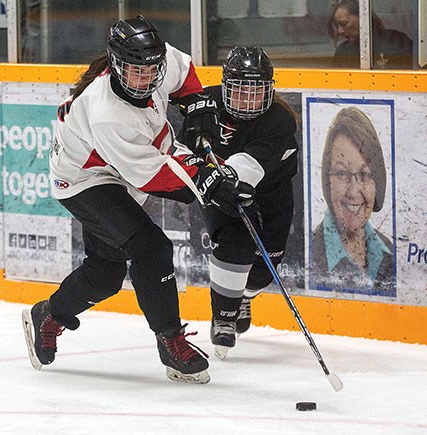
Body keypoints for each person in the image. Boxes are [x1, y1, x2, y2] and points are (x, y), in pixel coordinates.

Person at [21, 15, 253, 384]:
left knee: (105, 274)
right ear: (116, 65)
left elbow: (184, 71)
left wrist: (195, 104)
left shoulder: (155, 62)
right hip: (85, 177)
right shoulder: (108, 114)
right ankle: (171, 342)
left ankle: (49, 315)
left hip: (122, 168)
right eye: (135, 71)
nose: (146, 79)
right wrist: (205, 180)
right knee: (151, 247)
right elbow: (153, 176)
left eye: (151, 70)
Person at [178, 46, 299, 359]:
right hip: (219, 189)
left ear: (268, 91)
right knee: (235, 242)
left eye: (255, 93)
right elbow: (180, 146)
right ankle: (224, 317)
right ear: (226, 86)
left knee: (262, 272)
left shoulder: (280, 121)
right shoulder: (206, 105)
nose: (248, 100)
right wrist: (204, 173)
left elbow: (253, 163)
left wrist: (233, 175)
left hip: (271, 194)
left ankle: (244, 294)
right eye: (240, 91)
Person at [310, 107, 394, 294]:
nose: (353, 191)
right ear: (327, 180)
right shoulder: (310, 253)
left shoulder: (389, 252)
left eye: (365, 174)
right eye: (341, 174)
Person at [328, 0, 413, 69]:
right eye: (337, 25)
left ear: (362, 17)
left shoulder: (397, 41)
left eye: (344, 23)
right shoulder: (343, 53)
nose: (339, 31)